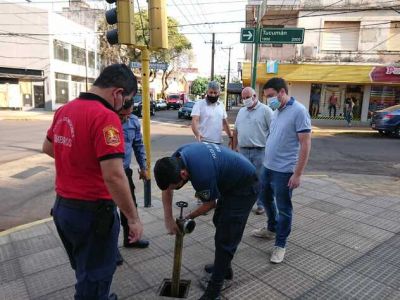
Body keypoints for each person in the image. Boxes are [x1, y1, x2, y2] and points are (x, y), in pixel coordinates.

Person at [42, 64, 143, 300]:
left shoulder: (64, 110)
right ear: (117, 94)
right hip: (93, 213)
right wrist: (133, 218)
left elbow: (48, 147)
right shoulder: (106, 117)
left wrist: (80, 159)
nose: (125, 107)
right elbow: (115, 175)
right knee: (96, 276)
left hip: (63, 209)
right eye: (127, 101)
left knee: (84, 268)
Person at [154, 143, 258, 300]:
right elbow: (166, 188)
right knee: (218, 220)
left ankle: (214, 291)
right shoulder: (176, 158)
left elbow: (210, 204)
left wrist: (188, 217)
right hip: (230, 182)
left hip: (245, 187)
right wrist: (168, 219)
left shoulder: (201, 175)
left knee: (226, 236)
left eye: (176, 187)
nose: (174, 189)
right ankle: (224, 268)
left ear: (183, 174)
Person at [252, 77, 311, 264]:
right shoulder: (277, 111)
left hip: (284, 171)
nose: (268, 100)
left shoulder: (299, 111)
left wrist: (298, 173)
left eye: (270, 96)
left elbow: (305, 144)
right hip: (268, 167)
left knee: (284, 209)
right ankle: (271, 229)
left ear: (282, 92)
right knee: (266, 200)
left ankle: (280, 244)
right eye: (266, 97)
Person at [233, 87, 272, 215]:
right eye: (243, 98)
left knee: (260, 179)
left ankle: (261, 204)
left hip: (260, 151)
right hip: (243, 151)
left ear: (255, 96)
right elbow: (236, 130)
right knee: (244, 179)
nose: (245, 100)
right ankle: (246, 203)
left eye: (247, 97)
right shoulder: (241, 111)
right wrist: (234, 148)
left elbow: (274, 131)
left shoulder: (265, 110)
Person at [118, 101, 150, 252]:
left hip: (124, 171)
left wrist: (143, 168)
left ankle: (130, 240)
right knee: (108, 212)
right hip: (106, 173)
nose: (125, 118)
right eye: (122, 114)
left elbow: (138, 145)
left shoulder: (133, 121)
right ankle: (111, 250)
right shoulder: (105, 119)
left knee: (130, 207)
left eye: (129, 113)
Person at [191, 81, 233, 146]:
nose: (213, 95)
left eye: (215, 93)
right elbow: (195, 120)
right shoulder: (199, 104)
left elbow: (225, 123)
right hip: (204, 142)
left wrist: (230, 136)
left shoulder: (221, 105)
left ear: (219, 93)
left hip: (218, 143)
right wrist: (197, 134)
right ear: (207, 92)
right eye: (211, 92)